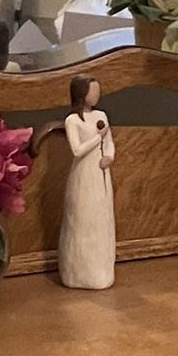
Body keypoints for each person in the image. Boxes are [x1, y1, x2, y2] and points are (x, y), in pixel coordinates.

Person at [59, 76, 116, 289]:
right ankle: (77, 273)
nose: (97, 95)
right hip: (83, 175)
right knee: (82, 220)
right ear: (82, 94)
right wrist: (97, 138)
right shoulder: (72, 121)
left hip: (100, 174)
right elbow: (77, 150)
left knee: (100, 220)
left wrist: (108, 156)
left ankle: (100, 272)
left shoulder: (102, 116)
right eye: (94, 91)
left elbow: (109, 143)